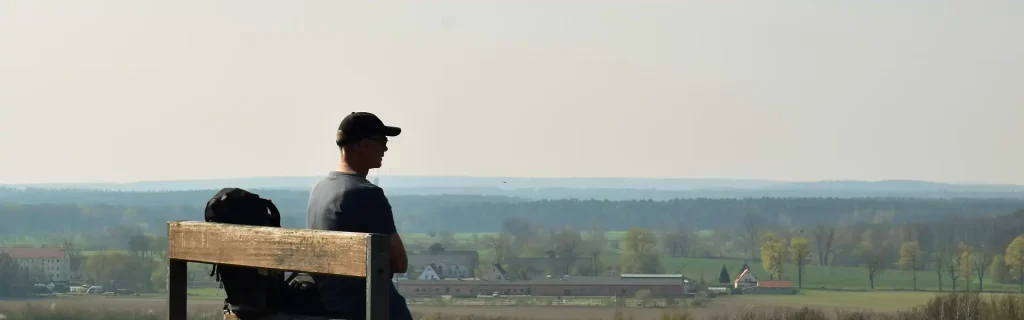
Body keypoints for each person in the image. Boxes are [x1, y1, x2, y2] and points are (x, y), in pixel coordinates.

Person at [306, 112, 412, 319]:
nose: (386, 148)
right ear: (364, 145)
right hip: (370, 306)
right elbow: (400, 263)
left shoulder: (319, 189)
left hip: (330, 303)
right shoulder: (367, 193)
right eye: (382, 141)